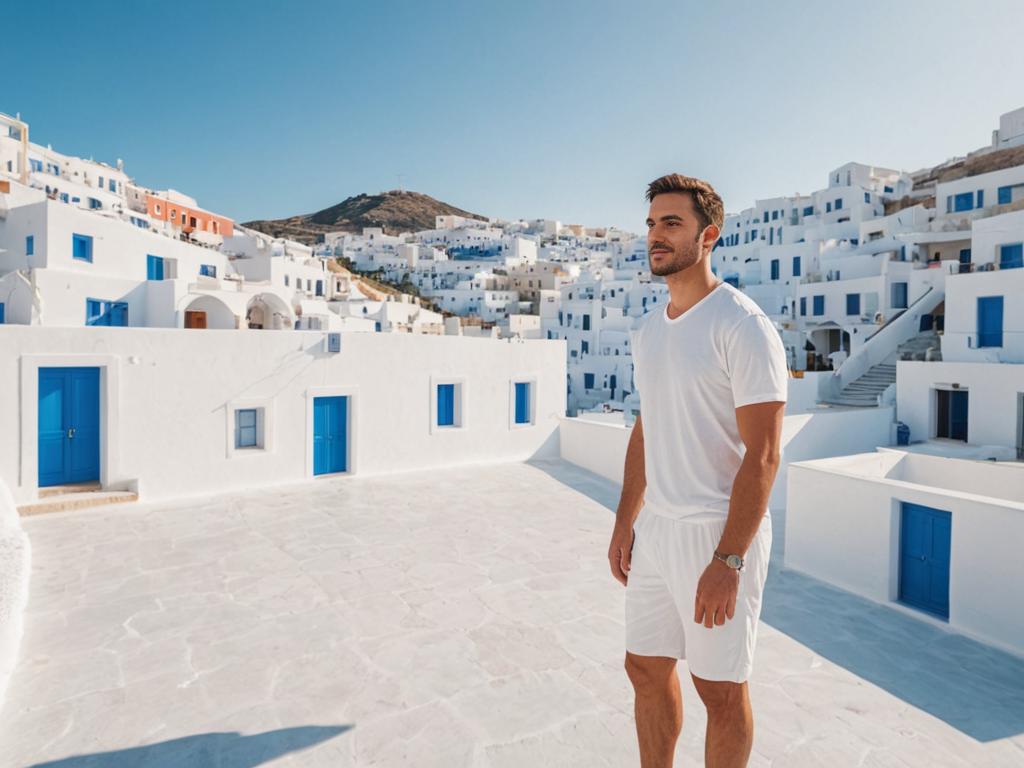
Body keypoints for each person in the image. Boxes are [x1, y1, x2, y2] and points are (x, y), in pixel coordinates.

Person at [607, 174, 788, 767]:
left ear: (708, 235)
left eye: (672, 224)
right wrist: (624, 522)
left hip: (717, 535)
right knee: (644, 668)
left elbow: (763, 455)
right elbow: (646, 427)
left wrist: (729, 558)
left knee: (720, 689)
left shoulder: (742, 326)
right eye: (652, 224)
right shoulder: (651, 329)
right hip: (657, 531)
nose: (656, 236)